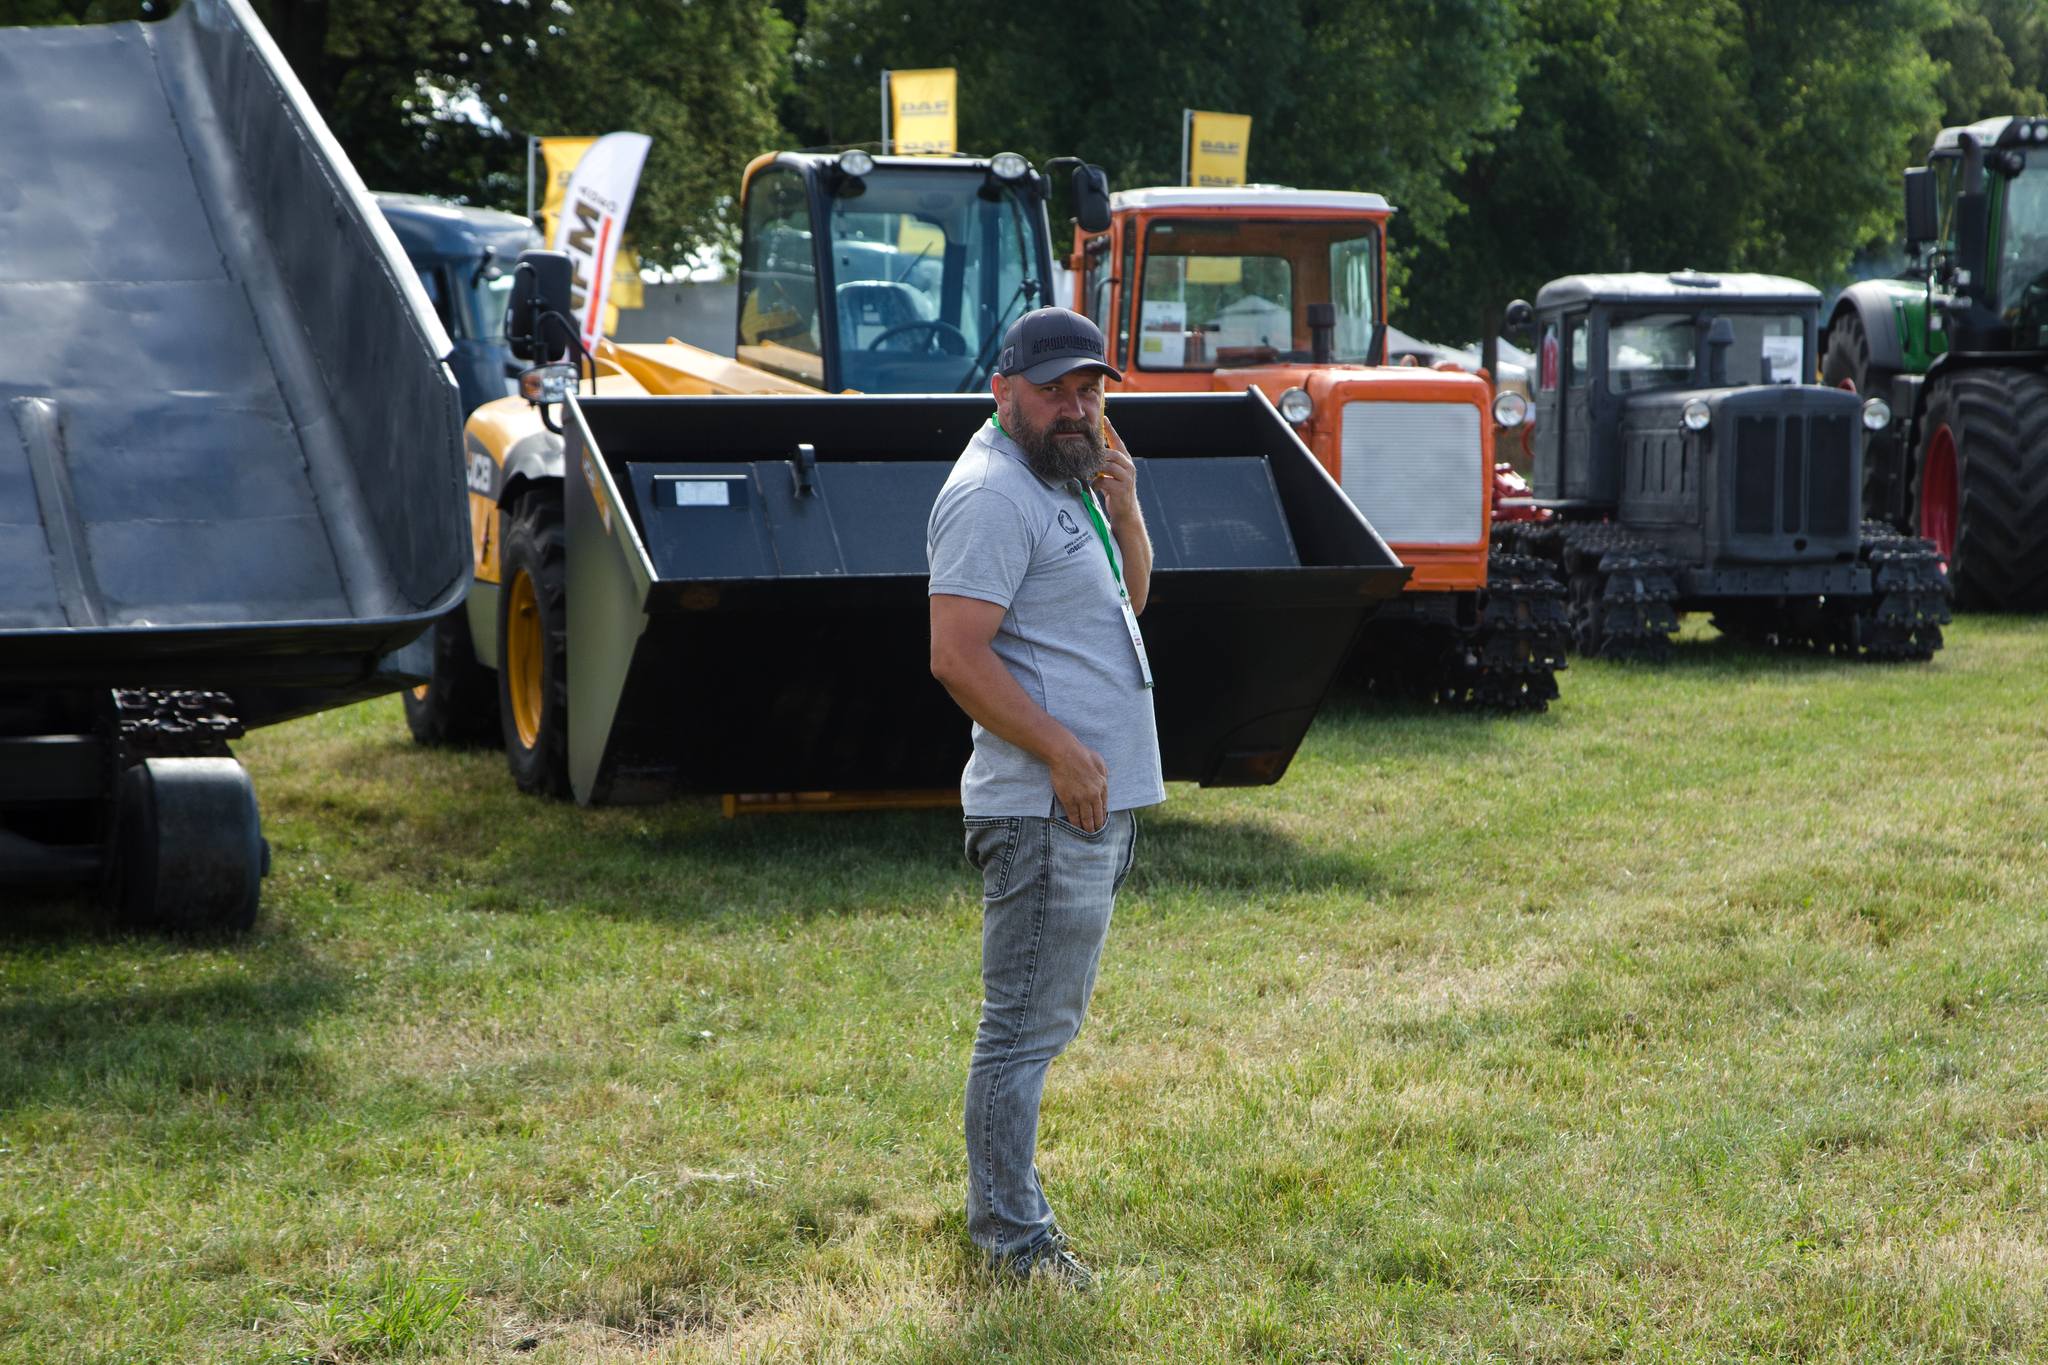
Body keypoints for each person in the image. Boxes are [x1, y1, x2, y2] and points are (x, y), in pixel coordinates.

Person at [926, 306, 1164, 1288]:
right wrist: (1064, 755)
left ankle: (1009, 1222)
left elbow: (1127, 606)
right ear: (1003, 391)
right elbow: (955, 655)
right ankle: (1009, 1243)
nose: (1075, 406)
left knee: (1039, 1027)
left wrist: (1128, 513)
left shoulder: (1064, 478)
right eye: (1054, 389)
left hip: (1084, 805)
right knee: (1020, 1033)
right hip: (1042, 808)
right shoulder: (991, 493)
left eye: (1089, 389)